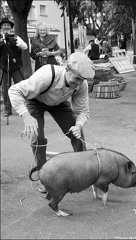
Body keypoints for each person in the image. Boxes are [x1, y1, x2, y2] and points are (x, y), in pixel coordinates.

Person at [8, 52, 95, 192]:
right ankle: (44, 177)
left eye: (82, 80)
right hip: (35, 101)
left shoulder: (81, 84)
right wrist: (26, 116)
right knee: (37, 137)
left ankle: (83, 171)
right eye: (76, 78)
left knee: (77, 133)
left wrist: (78, 126)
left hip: (59, 103)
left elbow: (83, 111)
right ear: (67, 69)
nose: (78, 83)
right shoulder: (47, 74)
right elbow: (14, 90)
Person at [0, 17, 27, 117]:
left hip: (16, 66)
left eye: (8, 25)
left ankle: (22, 109)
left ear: (11, 27)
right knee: (5, 88)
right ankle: (7, 109)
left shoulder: (15, 37)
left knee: (20, 87)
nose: (6, 27)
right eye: (4, 25)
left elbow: (25, 47)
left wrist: (17, 42)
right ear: (1, 27)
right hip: (3, 66)